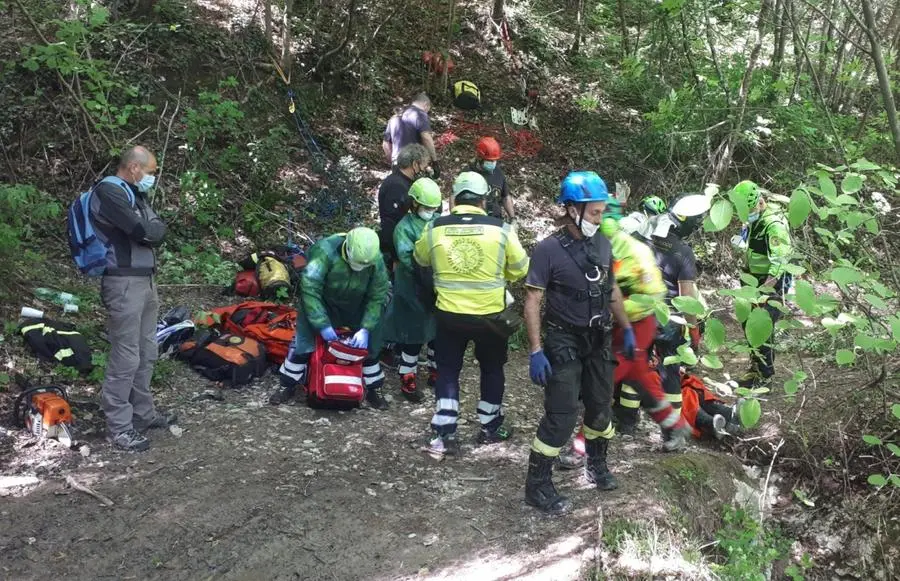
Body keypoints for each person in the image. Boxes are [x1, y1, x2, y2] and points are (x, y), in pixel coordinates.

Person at [522, 171, 635, 516]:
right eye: (595, 212)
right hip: (563, 339)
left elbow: (611, 291)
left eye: (602, 212)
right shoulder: (548, 250)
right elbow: (532, 301)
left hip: (598, 338)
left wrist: (627, 328)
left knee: (600, 408)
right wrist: (536, 350)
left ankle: (596, 465)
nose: (600, 219)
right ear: (572, 210)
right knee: (562, 414)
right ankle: (537, 485)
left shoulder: (602, 244)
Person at [555, 196, 694, 470]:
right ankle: (675, 426)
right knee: (639, 377)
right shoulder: (589, 246)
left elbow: (654, 295)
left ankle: (581, 447)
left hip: (637, 326)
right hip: (611, 327)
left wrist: (615, 311)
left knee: (604, 384)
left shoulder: (635, 252)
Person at [414, 171, 528, 455]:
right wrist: (499, 274)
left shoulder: (435, 228)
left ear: (454, 198)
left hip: (449, 314)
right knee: (491, 368)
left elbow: (420, 258)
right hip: (490, 316)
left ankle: (445, 432)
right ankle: (490, 427)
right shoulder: (501, 229)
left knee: (448, 369)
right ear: (483, 200)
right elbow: (520, 268)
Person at [93, 146, 172, 452]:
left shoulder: (135, 194)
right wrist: (151, 230)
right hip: (122, 282)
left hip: (145, 280)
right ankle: (119, 427)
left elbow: (158, 230)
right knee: (126, 356)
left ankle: (143, 414)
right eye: (150, 172)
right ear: (135, 168)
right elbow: (142, 230)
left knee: (146, 350)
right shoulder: (109, 191)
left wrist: (152, 230)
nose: (153, 178)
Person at [620, 194, 711, 436]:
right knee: (670, 373)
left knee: (636, 365)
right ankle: (671, 434)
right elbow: (687, 298)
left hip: (641, 312)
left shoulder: (645, 236)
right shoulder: (683, 252)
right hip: (671, 320)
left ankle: (626, 424)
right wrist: (694, 330)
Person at [270, 227, 391, 409]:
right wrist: (323, 324)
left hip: (357, 306)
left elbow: (377, 295)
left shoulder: (375, 260)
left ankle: (374, 388)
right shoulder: (325, 251)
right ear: (347, 248)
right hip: (323, 303)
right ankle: (287, 384)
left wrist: (366, 328)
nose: (360, 267)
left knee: (371, 345)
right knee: (303, 342)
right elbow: (310, 289)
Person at [382, 178, 442, 402]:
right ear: (414, 203)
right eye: (427, 207)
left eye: (433, 208)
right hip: (412, 288)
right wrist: (429, 271)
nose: (430, 212)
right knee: (413, 336)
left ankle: (437, 373)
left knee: (438, 335)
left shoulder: (440, 222)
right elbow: (408, 259)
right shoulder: (404, 228)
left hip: (437, 287)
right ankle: (408, 379)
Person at [729, 180, 794, 387]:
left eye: (748, 210)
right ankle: (756, 366)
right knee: (748, 323)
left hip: (771, 281)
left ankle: (764, 377)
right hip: (752, 278)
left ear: (759, 202)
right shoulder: (753, 218)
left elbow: (779, 262)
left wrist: (764, 291)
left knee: (761, 325)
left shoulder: (774, 225)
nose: (745, 214)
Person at [378, 144, 432, 267]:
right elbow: (390, 224)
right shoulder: (396, 187)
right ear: (415, 164)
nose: (425, 171)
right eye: (424, 167)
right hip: (397, 250)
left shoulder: (406, 182)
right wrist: (395, 258)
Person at [382, 92, 440, 178]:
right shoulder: (420, 114)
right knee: (415, 187)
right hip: (413, 164)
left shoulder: (394, 117)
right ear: (426, 105)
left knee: (400, 186)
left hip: (397, 163)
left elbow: (386, 144)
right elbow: (426, 137)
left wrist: (393, 161)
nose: (427, 112)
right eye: (428, 110)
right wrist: (435, 161)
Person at [464, 137, 515, 222]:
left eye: (494, 161)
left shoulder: (498, 173)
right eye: (489, 161)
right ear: (480, 158)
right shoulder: (467, 174)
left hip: (495, 221)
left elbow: (505, 197)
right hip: (474, 222)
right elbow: (454, 197)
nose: (493, 163)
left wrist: (513, 218)